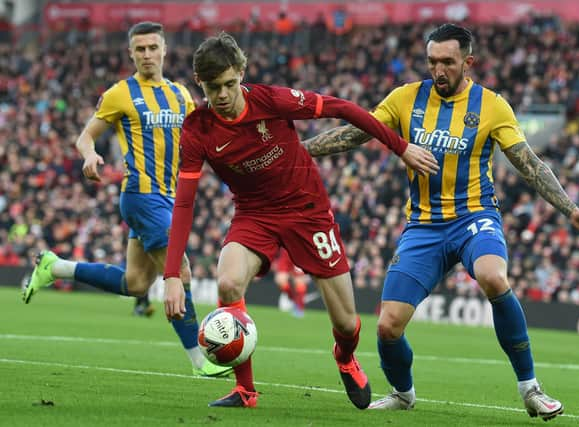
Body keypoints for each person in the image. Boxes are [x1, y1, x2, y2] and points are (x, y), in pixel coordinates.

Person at [300, 23, 579, 421]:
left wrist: (571, 210)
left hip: (474, 217)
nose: (438, 70)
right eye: (432, 61)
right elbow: (353, 134)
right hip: (424, 228)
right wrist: (297, 150)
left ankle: (530, 389)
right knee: (387, 328)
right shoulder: (405, 98)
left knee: (494, 278)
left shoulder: (492, 106)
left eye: (447, 62)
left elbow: (529, 164)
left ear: (468, 63)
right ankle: (402, 393)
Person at [162, 32, 438, 409]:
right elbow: (184, 203)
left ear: (241, 73)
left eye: (229, 84)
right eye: (213, 88)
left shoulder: (272, 101)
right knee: (227, 284)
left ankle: (344, 356)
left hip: (308, 211)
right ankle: (246, 391)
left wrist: (401, 147)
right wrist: (172, 274)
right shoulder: (198, 130)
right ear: (201, 83)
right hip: (254, 214)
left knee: (346, 323)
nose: (223, 95)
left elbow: (342, 108)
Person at [21, 21, 231, 378]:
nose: (147, 54)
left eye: (152, 47)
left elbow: (203, 141)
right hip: (141, 196)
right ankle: (200, 361)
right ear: (131, 53)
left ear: (164, 50)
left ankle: (54, 268)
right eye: (140, 49)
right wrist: (89, 155)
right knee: (179, 271)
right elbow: (85, 137)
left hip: (172, 199)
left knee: (135, 284)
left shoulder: (181, 95)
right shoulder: (120, 93)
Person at [273, 248, 309, 317]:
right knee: (280, 281)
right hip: (287, 252)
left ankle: (299, 308)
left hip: (300, 255)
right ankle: (294, 300)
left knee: (300, 285)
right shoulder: (285, 250)